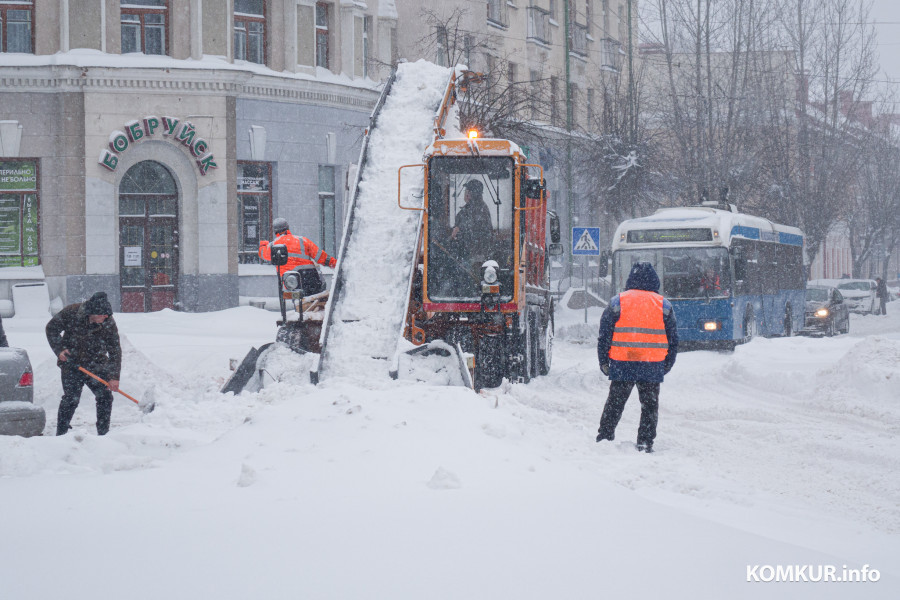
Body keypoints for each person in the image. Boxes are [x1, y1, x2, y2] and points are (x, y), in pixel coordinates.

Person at [596, 262, 678, 453]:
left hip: (622, 363)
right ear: (654, 281)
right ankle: (645, 442)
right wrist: (667, 364)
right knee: (649, 406)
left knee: (615, 403)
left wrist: (603, 360)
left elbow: (604, 334)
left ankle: (605, 437)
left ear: (630, 280)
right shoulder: (664, 305)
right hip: (651, 365)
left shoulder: (618, 302)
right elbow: (673, 339)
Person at [46, 292, 122, 436]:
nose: (106, 317)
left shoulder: (108, 321)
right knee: (71, 399)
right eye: (103, 315)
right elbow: (51, 328)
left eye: (107, 315)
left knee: (105, 397)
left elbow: (115, 350)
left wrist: (114, 377)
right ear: (92, 312)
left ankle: (104, 434)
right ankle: (61, 434)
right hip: (72, 363)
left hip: (97, 364)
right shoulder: (71, 312)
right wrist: (59, 350)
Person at [258, 217, 337, 279]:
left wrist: (263, 244)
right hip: (309, 276)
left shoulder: (273, 245)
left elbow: (262, 254)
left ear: (275, 231)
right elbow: (321, 256)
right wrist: (335, 264)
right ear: (288, 228)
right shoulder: (302, 240)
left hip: (290, 280)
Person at [450, 179, 493, 259]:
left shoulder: (479, 209)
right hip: (468, 252)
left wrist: (458, 230)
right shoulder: (472, 207)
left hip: (473, 255)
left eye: (467, 191)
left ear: (470, 194)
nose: (465, 194)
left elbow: (475, 229)